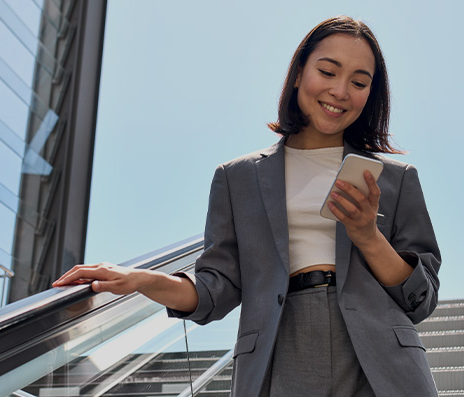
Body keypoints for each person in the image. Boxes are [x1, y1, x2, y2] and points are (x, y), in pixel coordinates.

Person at [53, 15, 440, 396]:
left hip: (379, 360)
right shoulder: (237, 177)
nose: (341, 91)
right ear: (299, 73)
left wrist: (368, 238)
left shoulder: (395, 176)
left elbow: (421, 299)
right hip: (276, 349)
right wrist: (142, 280)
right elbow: (215, 289)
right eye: (327, 71)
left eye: (359, 82)